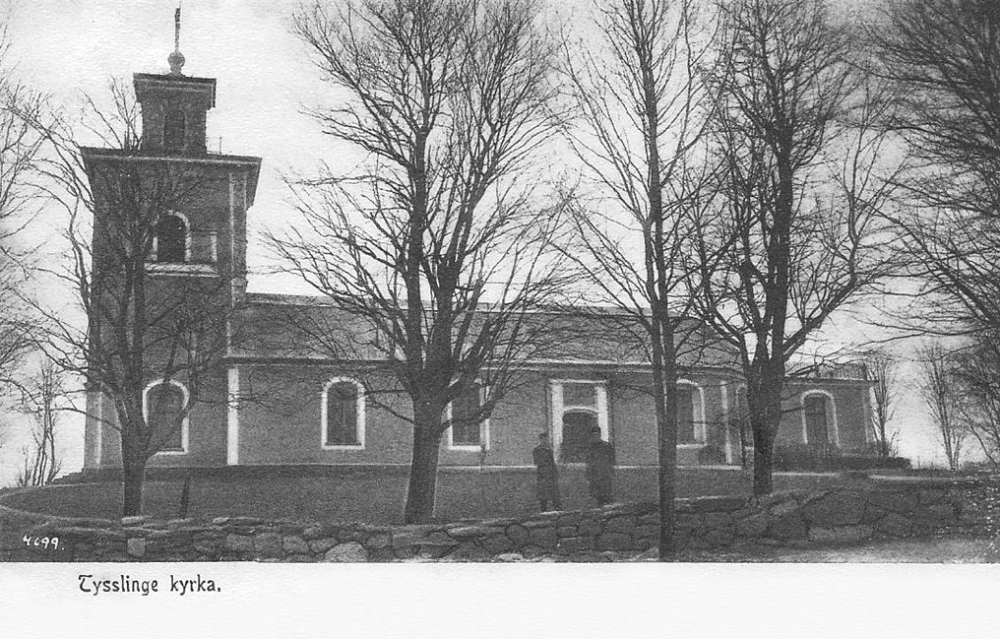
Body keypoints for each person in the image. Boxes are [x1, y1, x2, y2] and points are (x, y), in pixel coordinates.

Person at [585, 426, 615, 506]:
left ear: (599, 435)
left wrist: (610, 470)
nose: (595, 437)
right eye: (593, 436)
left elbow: (612, 460)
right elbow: (588, 461)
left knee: (606, 494)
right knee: (597, 496)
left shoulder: (607, 446)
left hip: (604, 474)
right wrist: (588, 473)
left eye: (596, 435)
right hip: (594, 475)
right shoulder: (590, 447)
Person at [532, 432, 561, 511]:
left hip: (550, 475)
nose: (546, 441)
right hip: (543, 475)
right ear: (540, 439)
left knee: (554, 494)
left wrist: (555, 472)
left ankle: (557, 510)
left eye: (547, 439)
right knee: (543, 495)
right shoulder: (537, 450)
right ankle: (543, 511)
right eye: (544, 439)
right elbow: (537, 462)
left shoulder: (549, 449)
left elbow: (552, 462)